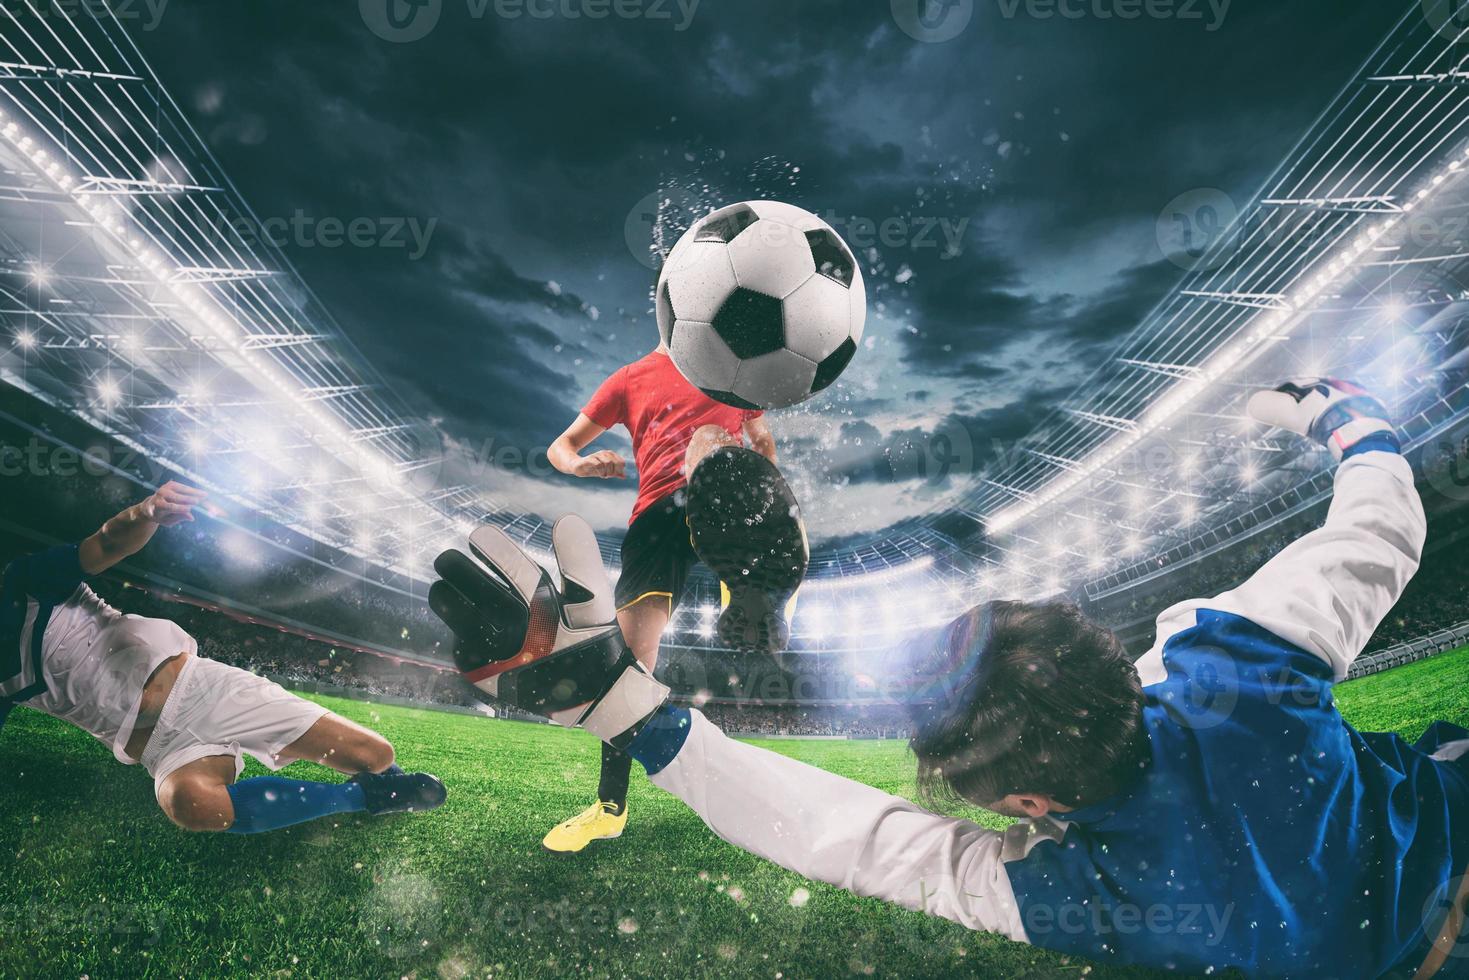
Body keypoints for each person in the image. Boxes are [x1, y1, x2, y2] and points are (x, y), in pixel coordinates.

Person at [433, 378, 1469, 978]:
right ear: (1100, 649)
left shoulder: (1080, 894)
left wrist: (627, 710)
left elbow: (840, 833)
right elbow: (1382, 521)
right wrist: (1337, 413)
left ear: (1024, 802)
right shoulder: (1232, 654)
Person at [0, 482, 446, 834]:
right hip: (159, 749)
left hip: (203, 690)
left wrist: (145, 513)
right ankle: (361, 799)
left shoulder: (23, 583)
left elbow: (106, 544)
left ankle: (383, 782)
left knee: (376, 753)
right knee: (188, 804)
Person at [537, 338, 805, 854]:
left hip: (724, 497)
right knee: (627, 667)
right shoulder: (628, 378)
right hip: (657, 517)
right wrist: (581, 465)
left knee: (706, 438)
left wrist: (764, 487)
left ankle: (757, 588)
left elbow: (762, 442)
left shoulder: (732, 367)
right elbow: (561, 446)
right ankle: (609, 808)